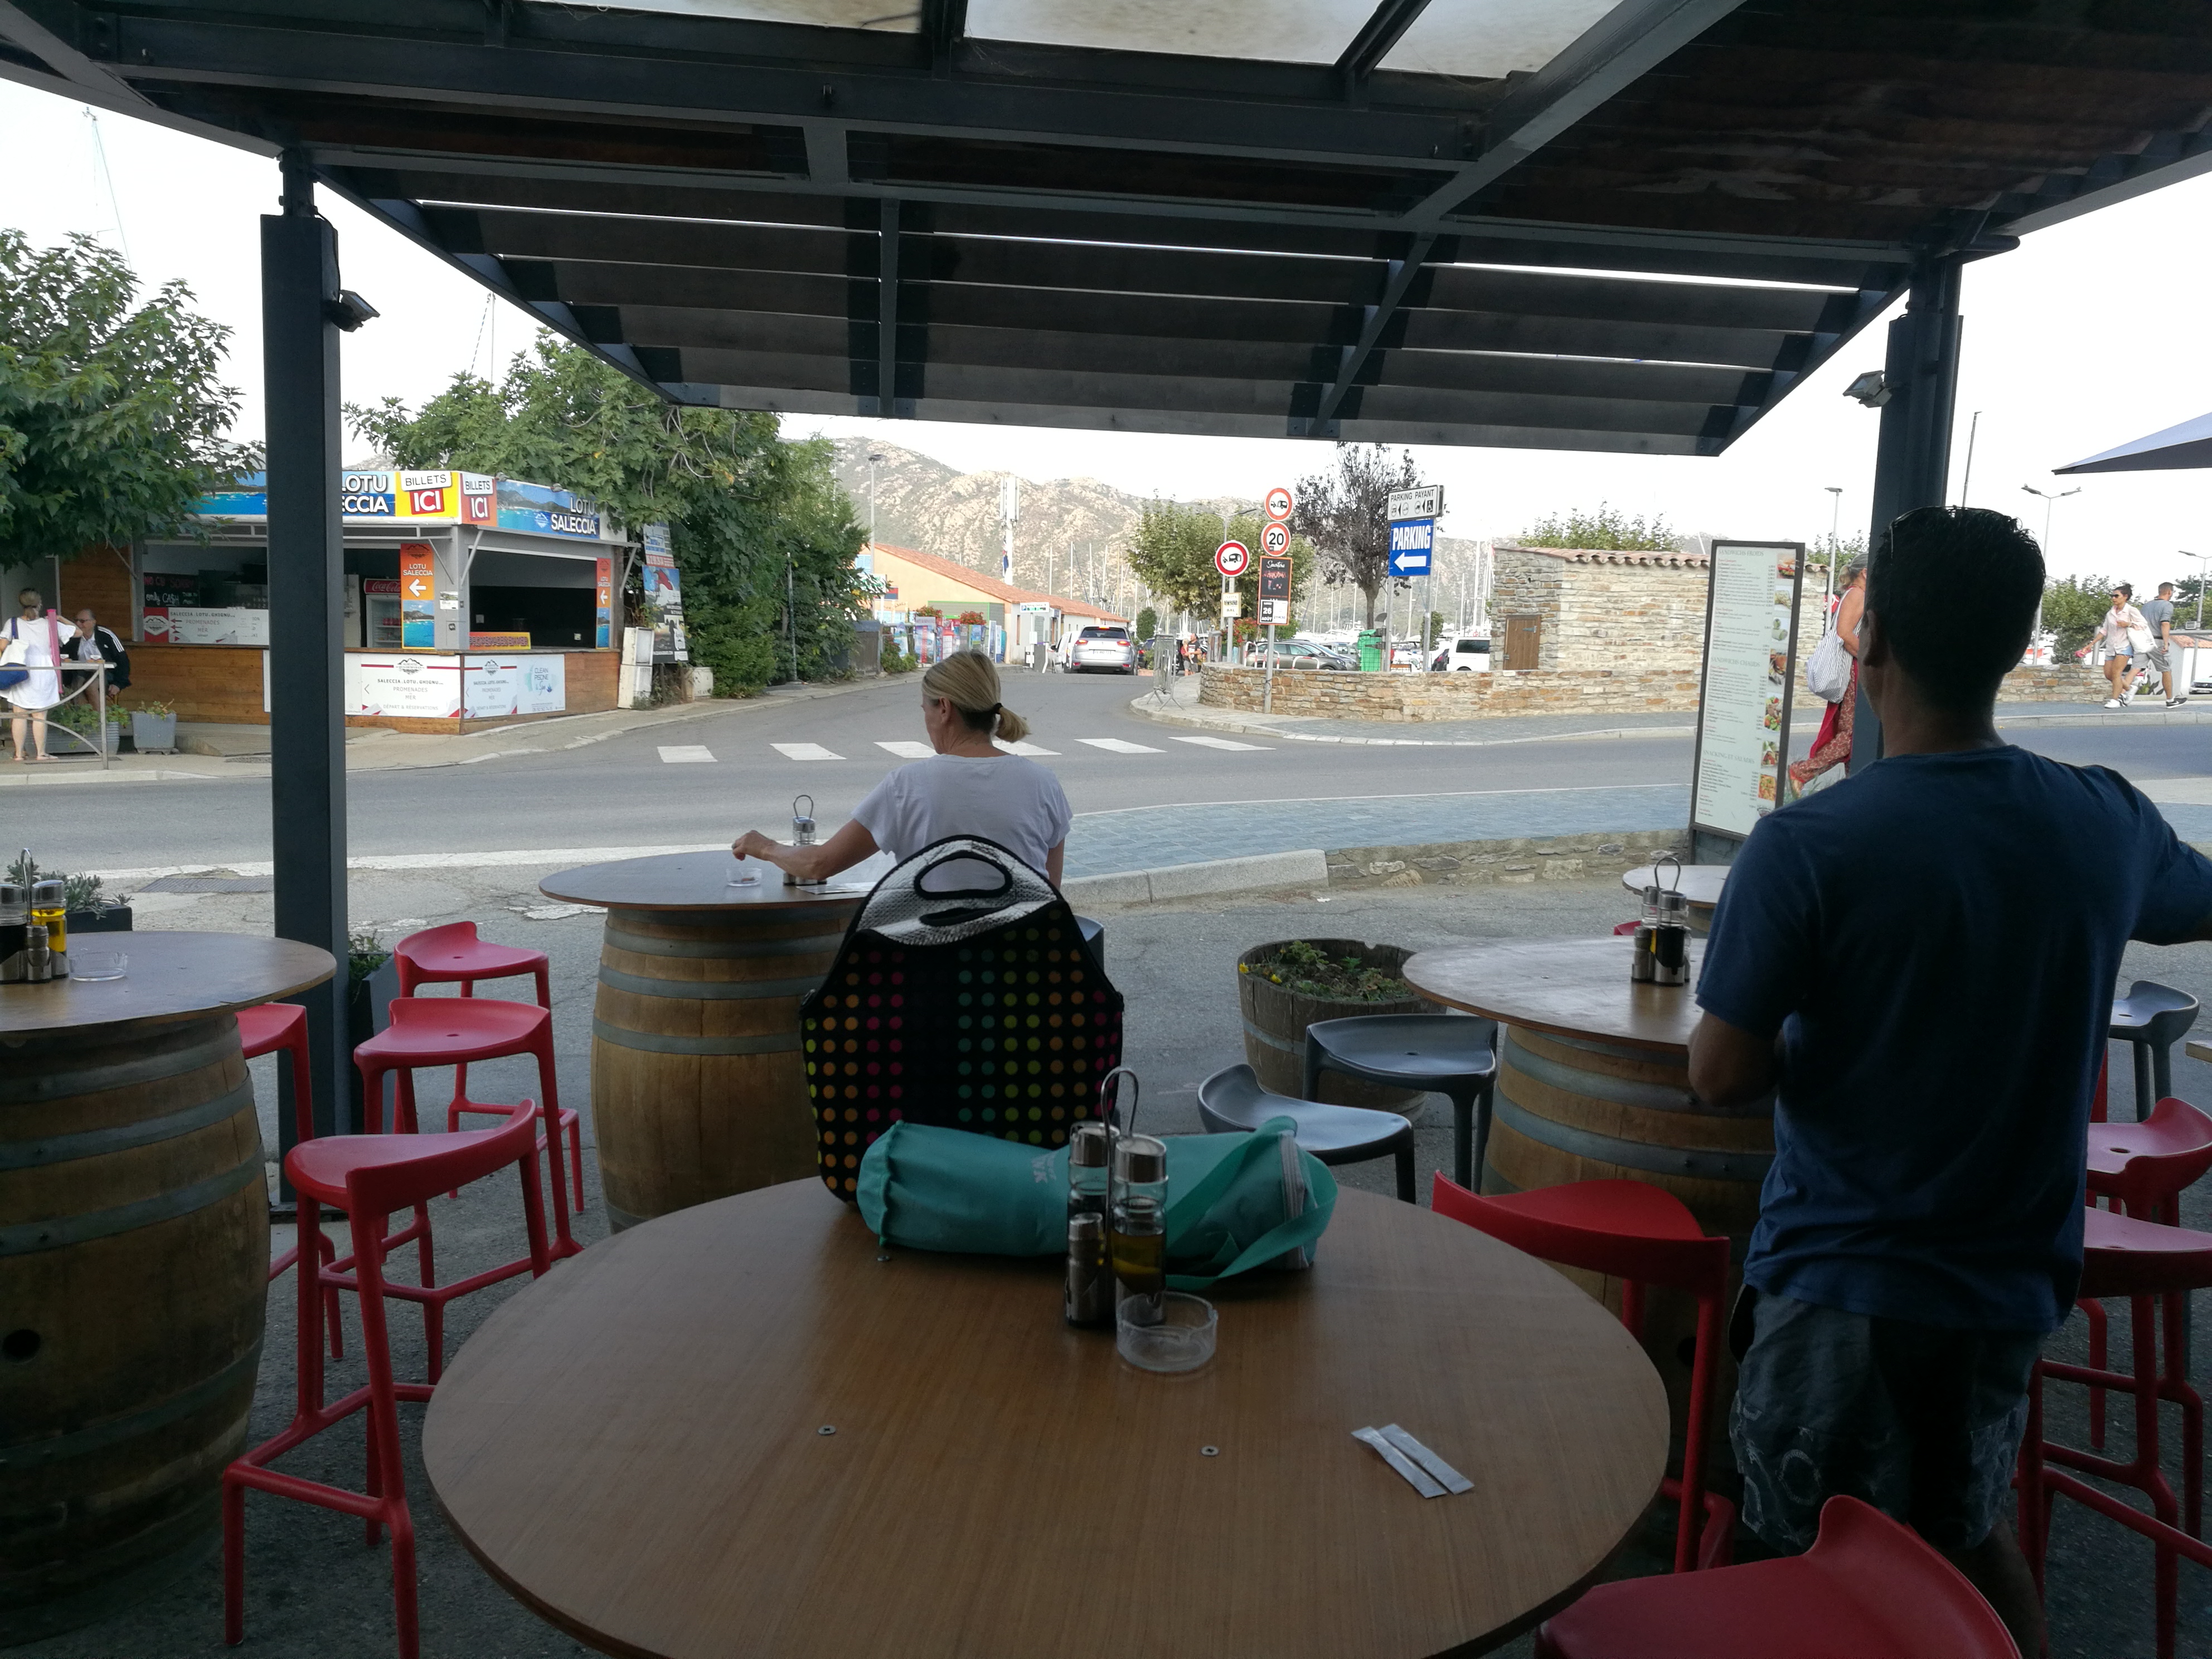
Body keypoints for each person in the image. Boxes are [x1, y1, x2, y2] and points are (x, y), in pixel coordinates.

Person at [1687, 506, 2212, 1659]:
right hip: (2004, 1283)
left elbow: (1718, 1072)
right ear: (2016, 647)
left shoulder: (1807, 846)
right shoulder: (2104, 821)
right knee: (1960, 1535)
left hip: (1841, 1282)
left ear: (1871, 643)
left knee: (1792, 1563)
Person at [733, 651, 1071, 886]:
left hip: (933, 962)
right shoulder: (1044, 783)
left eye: (925, 710)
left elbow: (819, 864)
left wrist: (764, 847)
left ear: (944, 709)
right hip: (1021, 963)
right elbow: (1049, 892)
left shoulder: (908, 786)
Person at [1786, 557, 1865, 795]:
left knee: (1853, 735)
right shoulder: (1858, 594)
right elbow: (1845, 634)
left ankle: (1854, 790)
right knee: (1852, 735)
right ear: (1865, 572)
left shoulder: (1856, 594)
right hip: (1852, 671)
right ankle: (1802, 772)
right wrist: (1870, 658)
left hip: (1850, 670)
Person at [2, 590, 76, 764]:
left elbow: (2, 645)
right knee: (40, 716)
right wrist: (60, 618)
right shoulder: (49, 624)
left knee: (19, 714)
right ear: (39, 604)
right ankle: (41, 753)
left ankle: (19, 754)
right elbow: (77, 632)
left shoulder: (13, 623)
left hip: (21, 668)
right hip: (44, 669)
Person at [2099, 583, 2148, 709]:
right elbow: (2104, 630)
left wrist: (2129, 624)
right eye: (2112, 596)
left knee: (2116, 673)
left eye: (2116, 596)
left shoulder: (2131, 610)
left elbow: (2143, 624)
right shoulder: (2111, 613)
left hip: (2125, 645)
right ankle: (2129, 688)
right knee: (2109, 675)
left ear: (2125, 597)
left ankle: (2115, 700)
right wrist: (2090, 645)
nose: (2113, 598)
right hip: (2111, 646)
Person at [67, 605, 131, 696]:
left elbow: (123, 659)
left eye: (82, 621)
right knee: (77, 688)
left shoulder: (106, 635)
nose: (78, 624)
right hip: (81, 672)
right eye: (76, 621)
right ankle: (81, 706)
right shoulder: (72, 637)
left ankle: (98, 706)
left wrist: (118, 684)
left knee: (92, 687)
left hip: (106, 672)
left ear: (93, 622)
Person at [2141, 580, 2179, 707]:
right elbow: (2165, 623)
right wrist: (2166, 644)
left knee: (2135, 669)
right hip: (2157, 641)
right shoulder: (2167, 605)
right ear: (2169, 592)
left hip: (2142, 641)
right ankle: (2170, 700)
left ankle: (2121, 696)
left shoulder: (2146, 606)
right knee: (2166, 670)